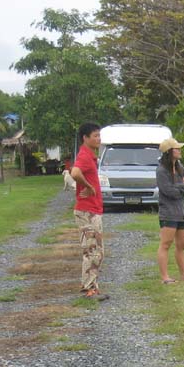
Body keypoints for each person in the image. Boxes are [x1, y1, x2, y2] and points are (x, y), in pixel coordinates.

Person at [70, 122, 108, 301]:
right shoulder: (84, 155)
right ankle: (88, 289)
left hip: (93, 209)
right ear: (85, 138)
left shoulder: (91, 156)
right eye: (95, 136)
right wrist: (88, 186)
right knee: (91, 250)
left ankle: (93, 286)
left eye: (99, 136)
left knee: (98, 251)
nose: (98, 139)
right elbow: (75, 172)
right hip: (87, 211)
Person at [156, 137, 184, 284]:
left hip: (182, 211)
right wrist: (182, 186)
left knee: (182, 244)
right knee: (166, 243)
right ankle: (165, 277)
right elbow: (169, 191)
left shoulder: (181, 167)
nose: (180, 151)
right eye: (177, 148)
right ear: (169, 152)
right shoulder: (161, 170)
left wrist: (179, 186)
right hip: (168, 211)